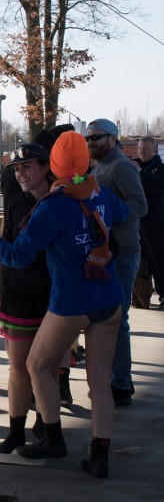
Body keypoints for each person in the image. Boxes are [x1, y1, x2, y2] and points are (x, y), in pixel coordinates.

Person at [0, 131, 129, 478]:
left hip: (72, 301)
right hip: (109, 299)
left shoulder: (52, 207)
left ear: (51, 165)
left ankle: (53, 439)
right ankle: (100, 455)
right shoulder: (97, 191)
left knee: (36, 367)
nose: (21, 173)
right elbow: (125, 212)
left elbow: (18, 255)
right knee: (100, 383)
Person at [0, 143, 54, 453]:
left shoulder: (63, 200)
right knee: (19, 367)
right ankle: (16, 431)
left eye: (27, 166)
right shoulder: (17, 202)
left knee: (49, 367)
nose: (21, 173)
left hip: (56, 296)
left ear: (44, 167)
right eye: (17, 168)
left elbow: (18, 254)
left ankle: (45, 424)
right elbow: (15, 254)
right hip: (21, 296)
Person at [86, 119, 147, 407]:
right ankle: (112, 378)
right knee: (107, 319)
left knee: (118, 319)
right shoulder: (99, 166)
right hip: (106, 252)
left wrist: (111, 210)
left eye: (96, 137)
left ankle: (121, 384)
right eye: (88, 138)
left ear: (113, 138)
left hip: (123, 253)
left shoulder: (121, 166)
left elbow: (140, 205)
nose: (91, 143)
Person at [134, 136, 164, 308]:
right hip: (138, 225)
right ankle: (140, 297)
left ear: (154, 150)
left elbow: (155, 187)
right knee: (141, 263)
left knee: (159, 262)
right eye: (139, 149)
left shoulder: (160, 169)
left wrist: (139, 173)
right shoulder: (134, 165)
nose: (141, 152)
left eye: (145, 149)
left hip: (156, 225)